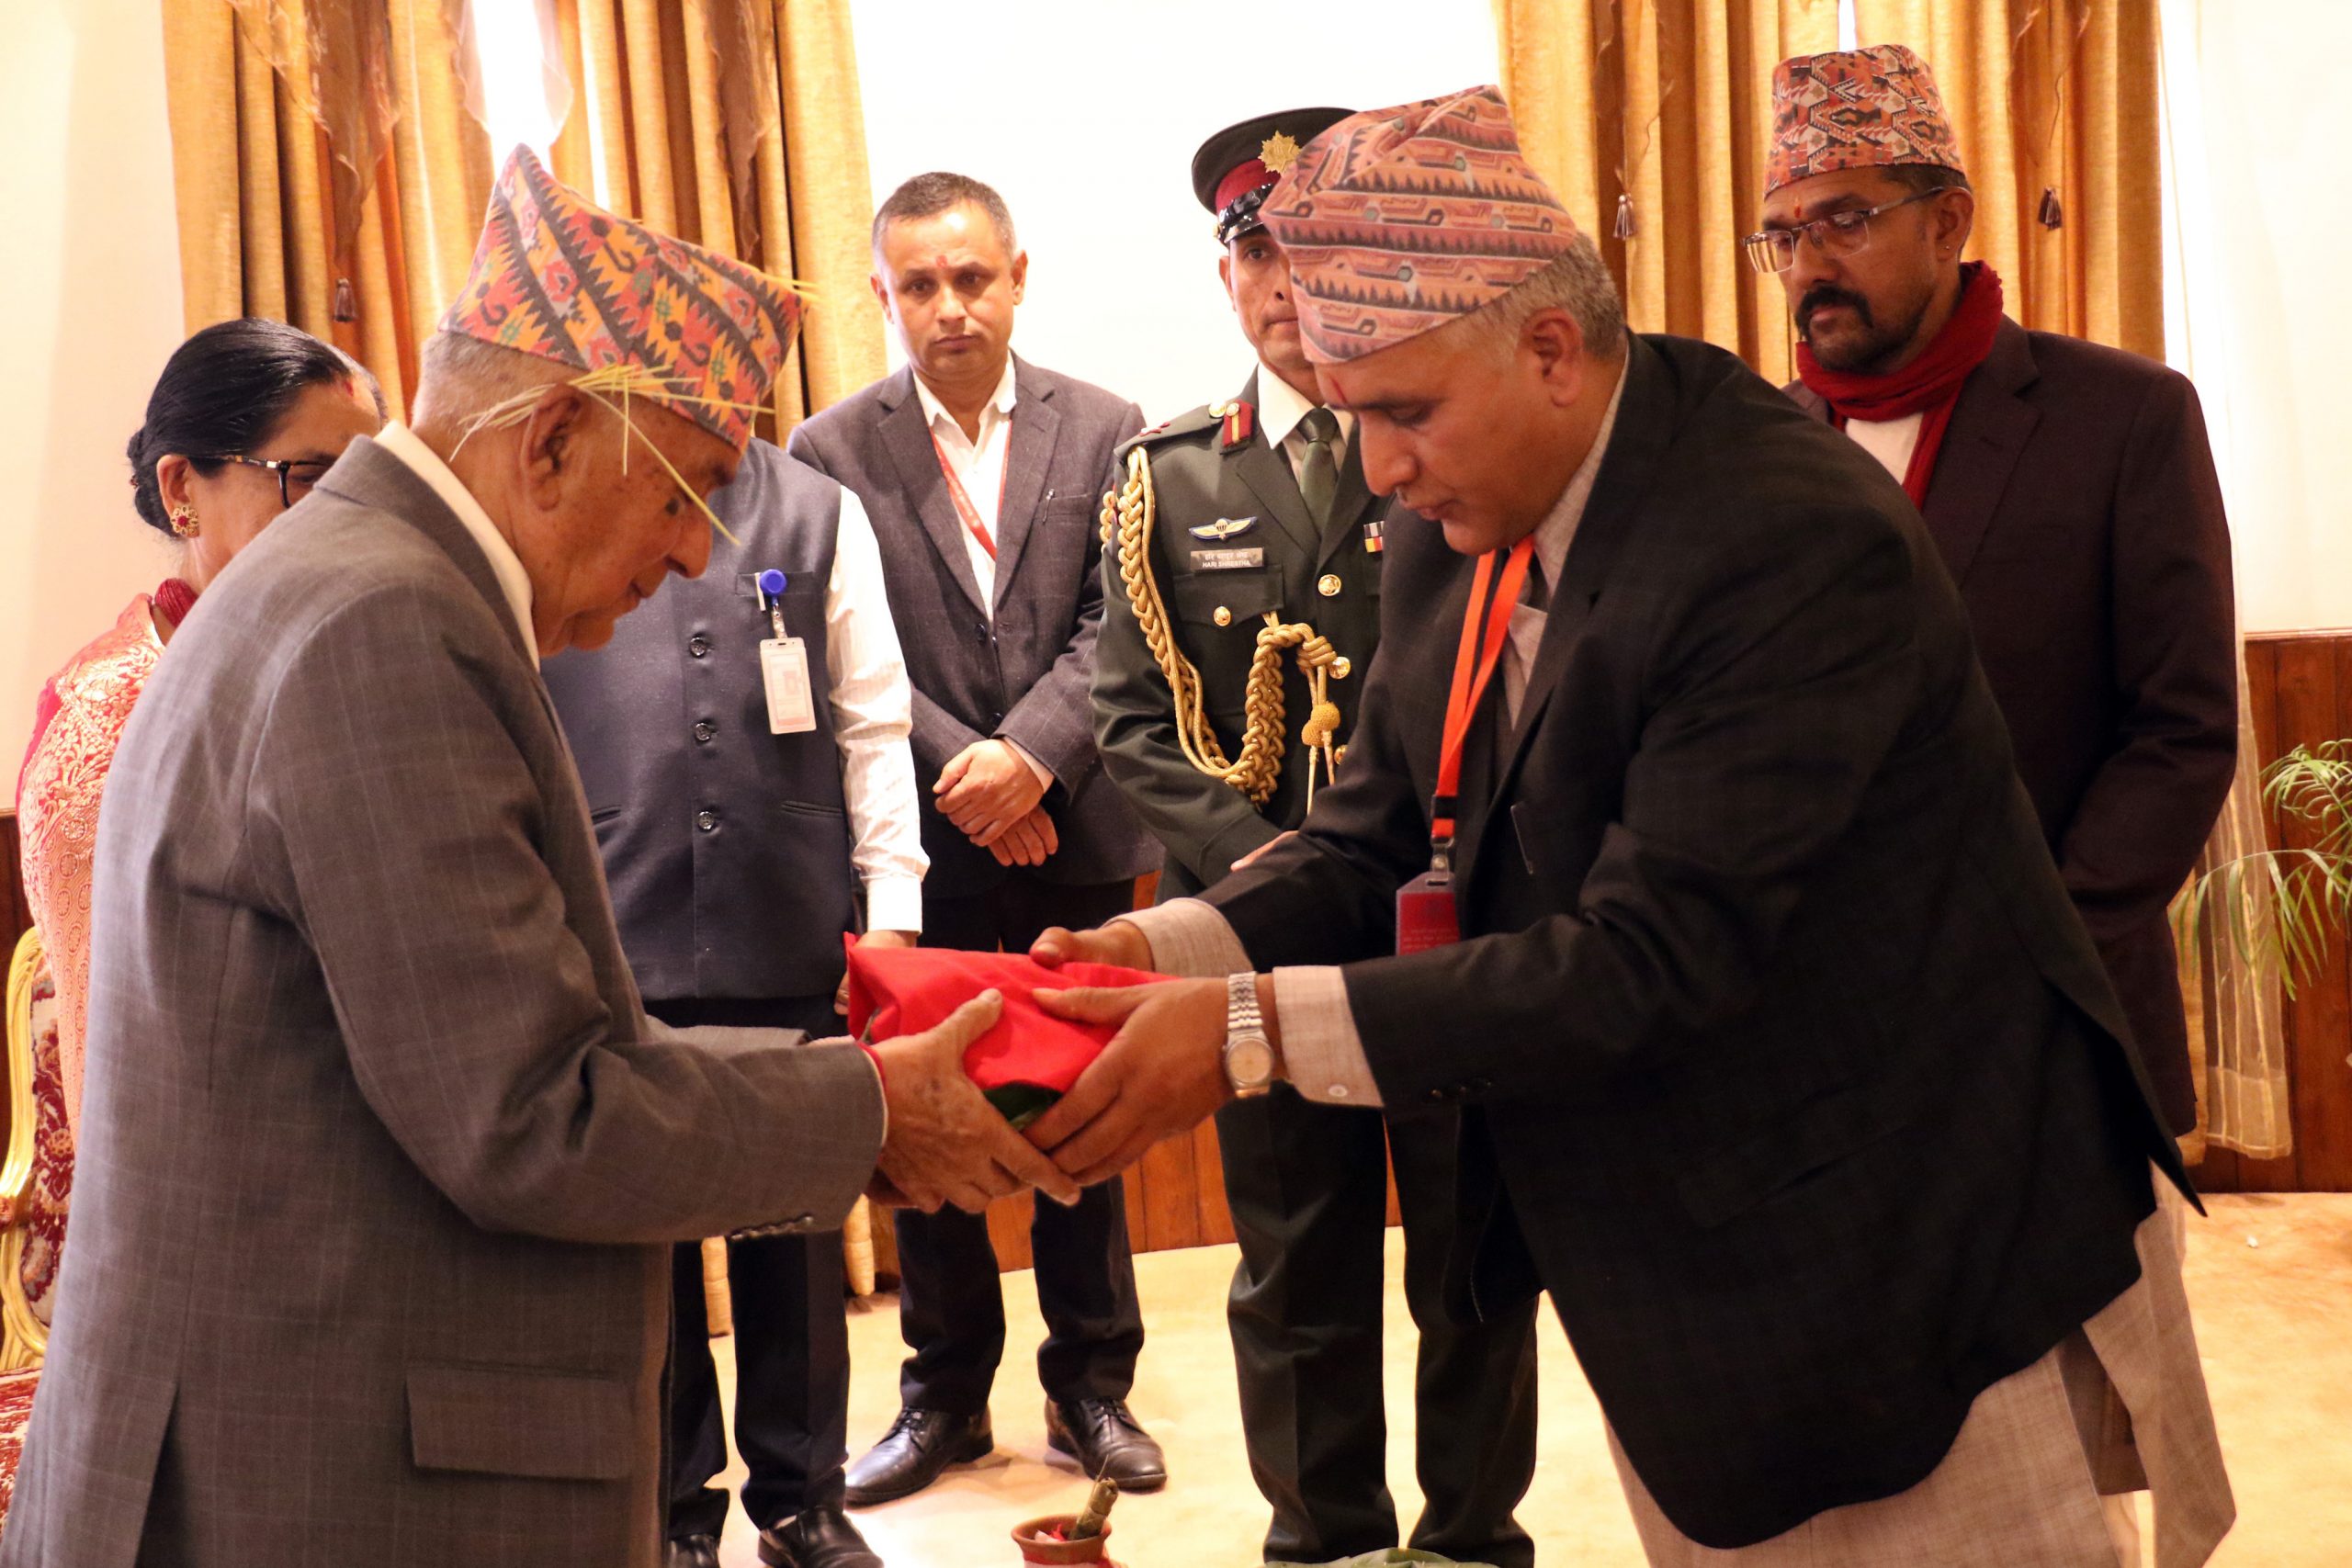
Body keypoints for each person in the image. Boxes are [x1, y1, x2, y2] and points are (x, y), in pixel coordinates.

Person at [1023, 87, 2236, 1566]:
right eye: (1354, 416)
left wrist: (1239, 1032)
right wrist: (1159, 949)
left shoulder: (1778, 530)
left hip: (1906, 1245)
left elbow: (1655, 954)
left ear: (1550, 347)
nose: (1380, 470)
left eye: (1405, 413)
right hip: (1687, 1257)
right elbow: (1371, 833)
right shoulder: (1462, 511)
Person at [0, 148, 1072, 1568]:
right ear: (554, 439)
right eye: (686, 492)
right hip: (311, 1483)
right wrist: (874, 1113)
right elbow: (529, 1113)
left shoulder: (369, 581)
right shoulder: (382, 625)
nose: (695, 555)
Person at [1088, 108, 1536, 1567]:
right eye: (1259, 255)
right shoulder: (1168, 475)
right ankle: (1323, 1539)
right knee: (1293, 1260)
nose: (1287, 287)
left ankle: (1470, 1535)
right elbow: (1131, 715)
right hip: (1259, 924)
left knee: (1472, 1253)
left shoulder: (1451, 446)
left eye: (1311, 251)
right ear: (1227, 276)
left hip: (1446, 919)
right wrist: (1260, 874)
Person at [1756, 44, 2238, 1143]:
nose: (1806, 264)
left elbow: (2181, 727)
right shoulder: (1757, 446)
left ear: (1946, 222)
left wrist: (2035, 951)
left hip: (2054, 1029)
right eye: (1781, 236)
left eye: (1843, 222)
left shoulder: (2119, 416)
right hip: (1815, 1046)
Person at [786, 171, 1164, 1503]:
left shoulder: (1107, 426)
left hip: (1076, 822)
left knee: (1084, 1097)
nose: (949, 306)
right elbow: (852, 646)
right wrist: (971, 771)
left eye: (971, 277)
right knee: (927, 1103)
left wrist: (1033, 758)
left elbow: (1124, 617)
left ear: (1017, 277)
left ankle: (1092, 1384)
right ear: (882, 296)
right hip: (925, 838)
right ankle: (944, 1394)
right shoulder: (829, 450)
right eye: (919, 285)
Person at [543, 434, 927, 1568]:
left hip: (784, 909)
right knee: (647, 1249)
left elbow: (873, 717)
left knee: (795, 1232)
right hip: (617, 916)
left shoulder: (818, 509)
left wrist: (893, 907)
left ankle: (802, 1501)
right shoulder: (567, 498)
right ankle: (674, 1512)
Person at [15, 318, 383, 1145]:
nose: (357, 518)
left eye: (371, 481)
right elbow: (130, 1052)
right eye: (309, 478)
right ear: (183, 488)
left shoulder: (335, 664)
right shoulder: (111, 717)